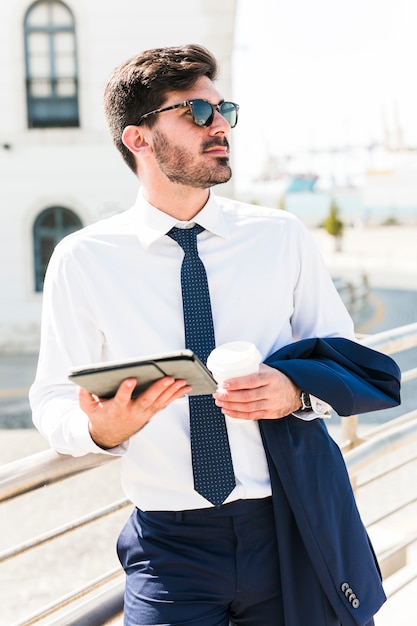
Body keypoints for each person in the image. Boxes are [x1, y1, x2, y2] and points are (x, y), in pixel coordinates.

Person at [30, 44, 400, 626]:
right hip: (170, 547)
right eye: (196, 114)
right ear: (139, 139)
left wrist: (296, 392)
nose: (220, 124)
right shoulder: (83, 259)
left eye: (223, 108)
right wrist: (97, 429)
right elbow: (51, 399)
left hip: (292, 523)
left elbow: (346, 359)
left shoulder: (281, 236)